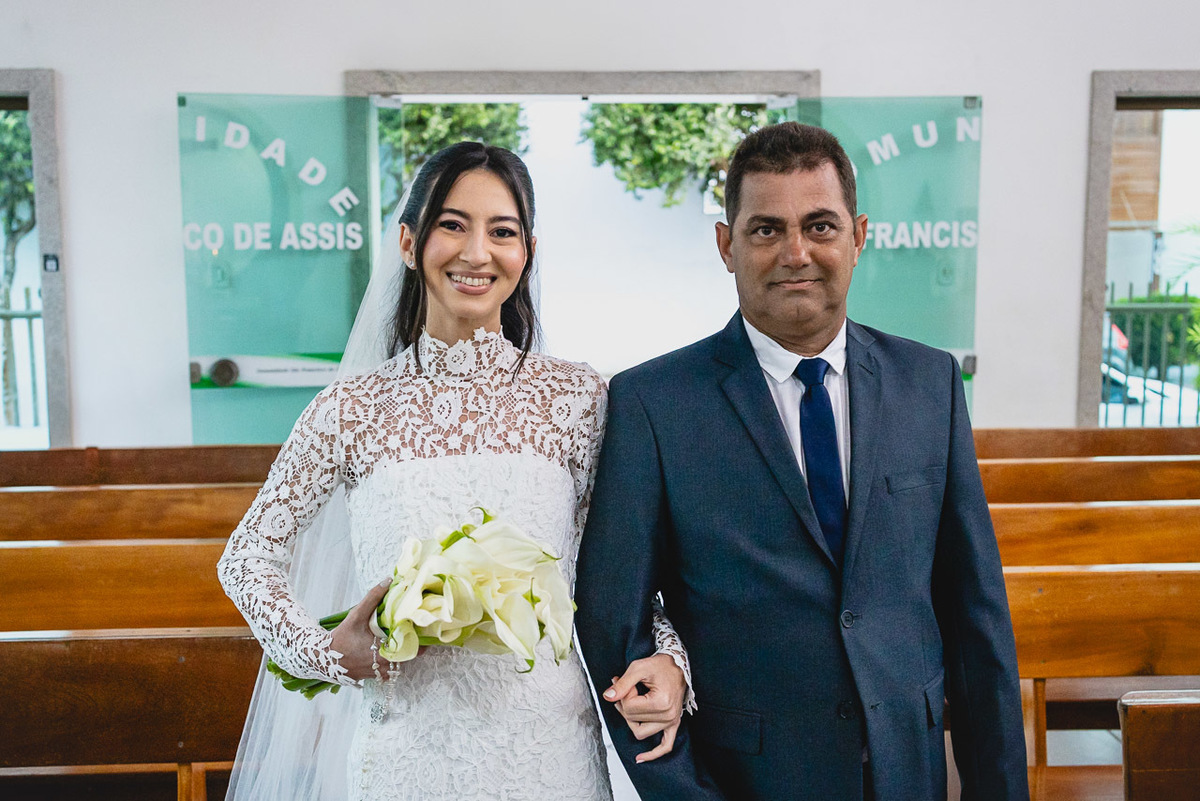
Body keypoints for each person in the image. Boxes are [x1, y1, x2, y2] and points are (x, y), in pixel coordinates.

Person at [218, 142, 690, 801]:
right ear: (409, 242)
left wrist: (670, 660)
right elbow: (246, 557)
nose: (476, 253)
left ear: (526, 252)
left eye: (502, 231)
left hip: (548, 756)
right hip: (405, 757)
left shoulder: (579, 400)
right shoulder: (351, 408)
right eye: (452, 224)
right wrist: (322, 652)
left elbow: (622, 574)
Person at [575, 122, 1029, 800]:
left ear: (858, 235)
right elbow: (614, 628)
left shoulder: (929, 384)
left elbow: (975, 615)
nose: (796, 252)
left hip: (908, 773)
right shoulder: (652, 404)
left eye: (820, 226)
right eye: (765, 230)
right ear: (726, 244)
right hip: (748, 779)